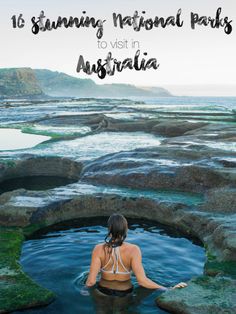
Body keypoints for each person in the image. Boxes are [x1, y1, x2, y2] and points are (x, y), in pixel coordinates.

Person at [85, 213, 187, 297]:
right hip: (124, 293)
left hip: (103, 291)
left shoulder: (98, 249)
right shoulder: (134, 250)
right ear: (126, 229)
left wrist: (84, 290)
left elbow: (91, 282)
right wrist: (167, 289)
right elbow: (142, 281)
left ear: (109, 229)